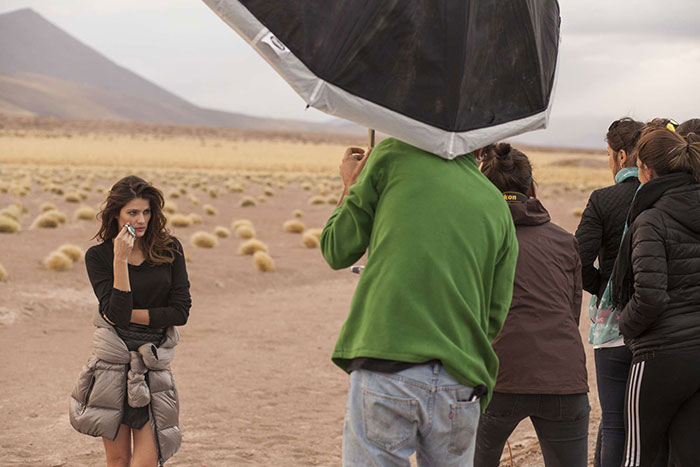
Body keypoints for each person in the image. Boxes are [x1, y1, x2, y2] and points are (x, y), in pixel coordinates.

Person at [320, 138, 519, 466]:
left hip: (386, 363)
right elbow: (495, 314)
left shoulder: (392, 155)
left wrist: (352, 184)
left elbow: (337, 248)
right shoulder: (497, 206)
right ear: (482, 149)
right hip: (461, 380)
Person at [474, 143, 589, 467]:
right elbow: (571, 310)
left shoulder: (478, 239)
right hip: (563, 376)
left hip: (498, 377)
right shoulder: (565, 240)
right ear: (532, 188)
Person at [69, 176, 191, 467]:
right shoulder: (98, 256)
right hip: (112, 366)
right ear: (116, 216)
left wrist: (127, 315)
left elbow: (180, 312)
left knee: (146, 462)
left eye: (146, 212)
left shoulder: (170, 249)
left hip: (152, 364)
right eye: (132, 213)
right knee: (119, 460)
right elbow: (117, 313)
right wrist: (120, 260)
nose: (141, 220)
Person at [612, 126, 700, 466]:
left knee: (638, 456)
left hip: (660, 354)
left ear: (646, 170)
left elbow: (651, 296)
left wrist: (625, 325)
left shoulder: (651, 219)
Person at [574, 117, 643, 467]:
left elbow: (578, 261)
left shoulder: (603, 199)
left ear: (619, 155)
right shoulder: (662, 195)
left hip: (613, 326)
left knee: (614, 419)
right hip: (657, 323)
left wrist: (606, 289)